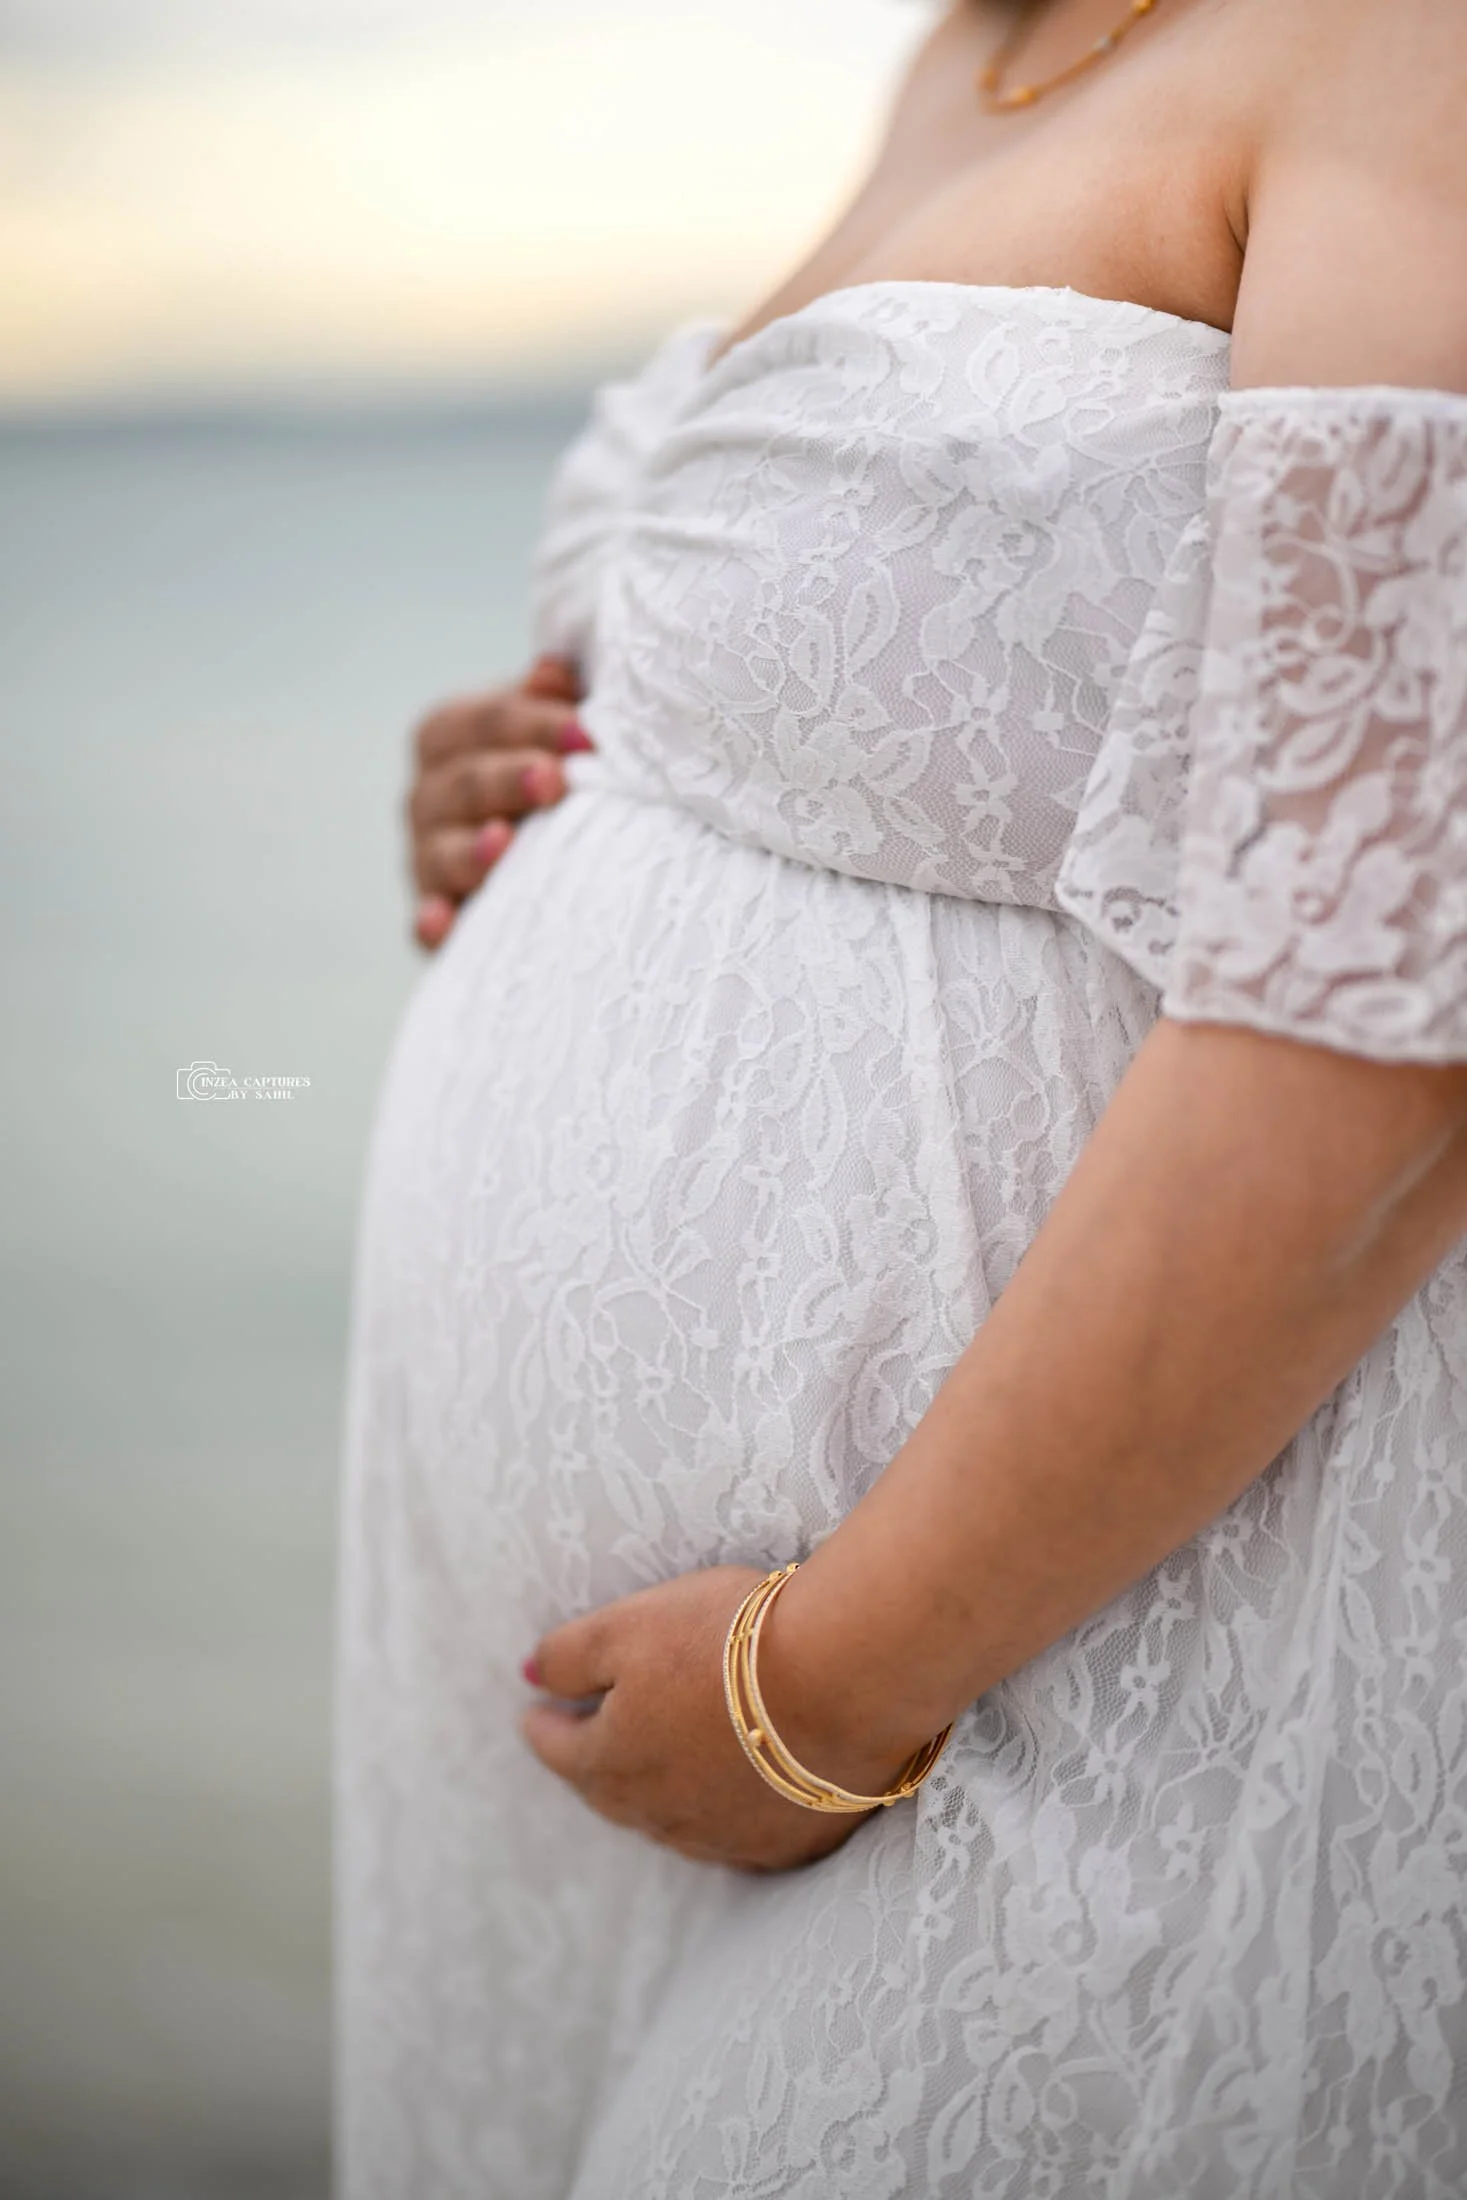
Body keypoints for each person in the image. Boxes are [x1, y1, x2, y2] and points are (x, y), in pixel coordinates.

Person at [339, 0, 1467, 2192]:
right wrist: (576, 764)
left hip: (1085, 1693)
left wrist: (826, 1682)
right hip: (698, 1747)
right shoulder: (965, 61)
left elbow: (1385, 990)